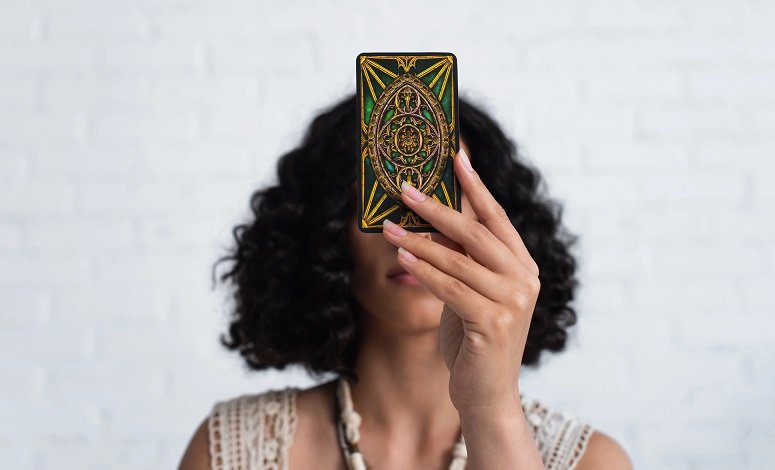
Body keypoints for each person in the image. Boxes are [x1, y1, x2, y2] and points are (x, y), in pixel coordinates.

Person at [178, 94, 633, 469]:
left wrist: (490, 409)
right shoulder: (228, 452)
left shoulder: (592, 462)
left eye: (441, 194)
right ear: (324, 230)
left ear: (497, 228)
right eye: (383, 196)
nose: (415, 229)